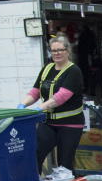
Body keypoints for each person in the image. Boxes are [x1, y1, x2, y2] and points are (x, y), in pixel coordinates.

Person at [19, 35, 85, 172]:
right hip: (49, 123)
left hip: (70, 125)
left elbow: (61, 97)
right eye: (54, 51)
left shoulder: (74, 71)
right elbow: (35, 91)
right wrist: (22, 105)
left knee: (64, 164)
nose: (57, 53)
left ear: (68, 51)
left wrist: (39, 109)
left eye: (60, 50)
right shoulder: (47, 68)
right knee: (35, 153)